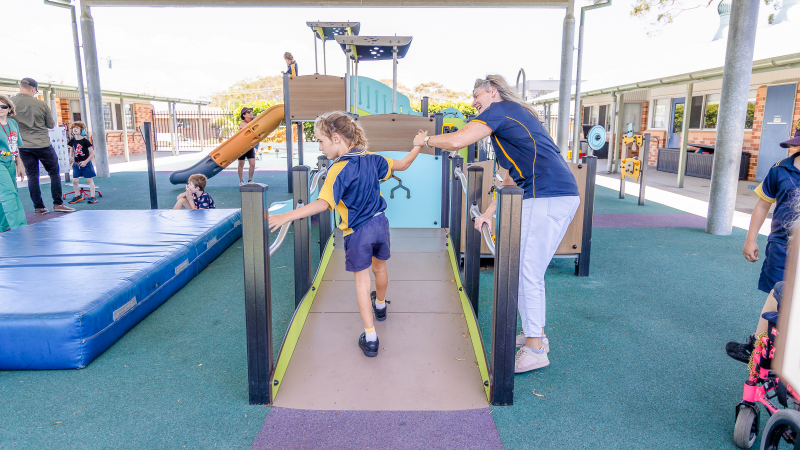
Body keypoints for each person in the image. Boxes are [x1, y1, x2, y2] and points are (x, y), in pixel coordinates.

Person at [412, 75, 580, 374]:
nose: (473, 101)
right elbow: (509, 177)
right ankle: (535, 334)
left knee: (525, 270)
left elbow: (457, 140)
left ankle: (536, 348)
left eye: (477, 94)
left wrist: (425, 140)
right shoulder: (510, 120)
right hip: (547, 196)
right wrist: (490, 212)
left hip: (547, 197)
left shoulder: (500, 111)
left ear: (492, 91)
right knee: (526, 270)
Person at [268, 111, 424, 357]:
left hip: (358, 231)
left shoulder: (337, 169)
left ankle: (371, 338)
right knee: (380, 269)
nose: (319, 147)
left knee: (363, 282)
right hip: (380, 223)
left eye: (320, 140)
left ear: (337, 138)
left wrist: (285, 216)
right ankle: (381, 306)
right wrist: (418, 145)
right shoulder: (373, 158)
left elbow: (322, 204)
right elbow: (403, 165)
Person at [728, 121, 800, 362]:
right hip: (781, 248)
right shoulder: (780, 170)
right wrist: (750, 239)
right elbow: (762, 204)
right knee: (776, 294)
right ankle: (758, 345)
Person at [11, 78, 74, 215]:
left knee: (32, 176)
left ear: (20, 87)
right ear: (33, 89)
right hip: (42, 144)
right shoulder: (40, 104)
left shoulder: (11, 103)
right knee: (54, 173)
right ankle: (58, 203)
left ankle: (39, 207)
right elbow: (51, 124)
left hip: (23, 146)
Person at [0, 95, 28, 231]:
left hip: (11, 162)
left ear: (9, 108)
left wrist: (19, 164)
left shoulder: (13, 124)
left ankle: (3, 226)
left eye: (3, 106)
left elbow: (16, 146)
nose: (0, 109)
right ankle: (18, 227)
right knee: (8, 193)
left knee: (10, 192)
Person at [67, 122, 98, 204]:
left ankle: (92, 196)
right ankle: (78, 195)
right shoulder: (72, 141)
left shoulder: (85, 141)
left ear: (82, 130)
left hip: (86, 164)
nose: (75, 129)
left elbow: (92, 153)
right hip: (76, 164)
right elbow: (71, 149)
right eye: (74, 128)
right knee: (74, 181)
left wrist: (85, 162)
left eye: (77, 127)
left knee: (89, 180)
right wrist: (70, 157)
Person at [237, 107, 257, 186]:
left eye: (251, 111)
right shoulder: (243, 123)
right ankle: (241, 181)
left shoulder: (253, 121)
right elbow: (250, 127)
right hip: (242, 146)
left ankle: (250, 180)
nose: (250, 113)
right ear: (244, 115)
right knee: (241, 164)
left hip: (249, 146)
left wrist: (255, 118)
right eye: (248, 112)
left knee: (252, 164)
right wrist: (255, 119)